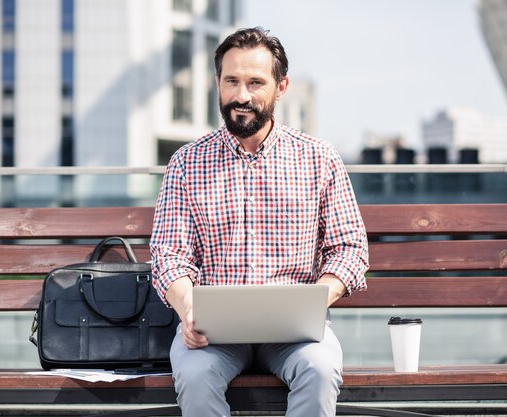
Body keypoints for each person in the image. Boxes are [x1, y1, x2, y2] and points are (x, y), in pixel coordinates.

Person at [150, 27, 368, 417]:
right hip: (212, 334)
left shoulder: (319, 158)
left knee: (319, 370)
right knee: (196, 377)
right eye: (231, 81)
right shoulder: (186, 162)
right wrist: (187, 310)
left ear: (281, 87)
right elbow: (169, 254)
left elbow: (349, 248)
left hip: (296, 334)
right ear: (216, 82)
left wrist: (317, 300)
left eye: (255, 82)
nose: (242, 96)